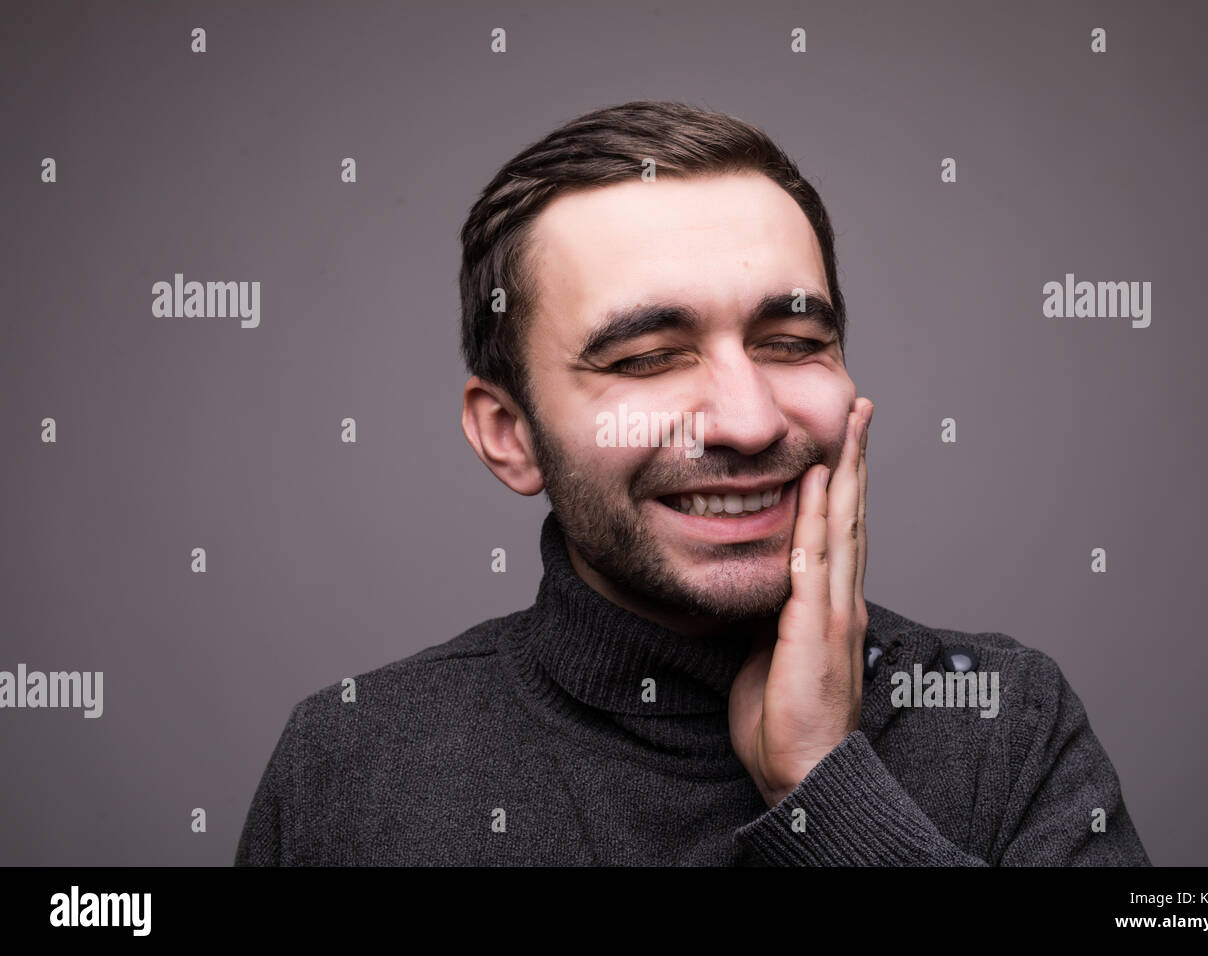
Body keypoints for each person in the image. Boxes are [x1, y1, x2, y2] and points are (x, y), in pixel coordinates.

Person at [235, 100, 1150, 866]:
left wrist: (827, 793)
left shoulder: (1002, 720)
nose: (748, 422)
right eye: (645, 360)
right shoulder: (352, 764)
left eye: (792, 345)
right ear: (510, 434)